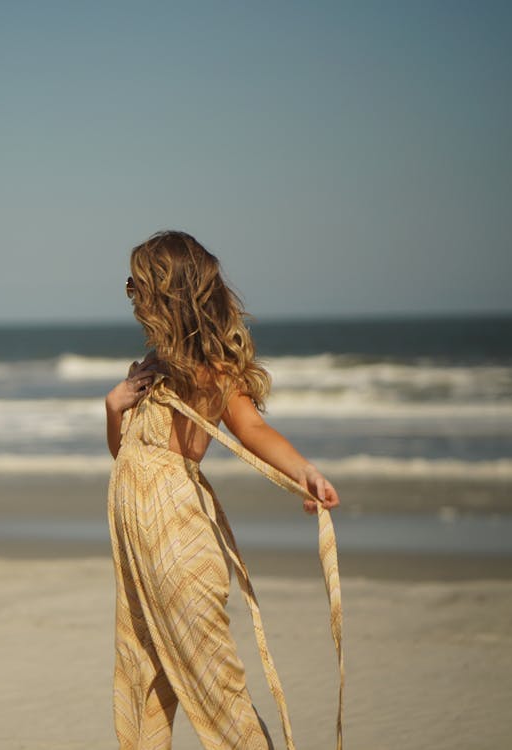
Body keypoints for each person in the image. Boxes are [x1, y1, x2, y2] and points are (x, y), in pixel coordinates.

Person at [105, 231, 340, 750]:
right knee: (147, 677)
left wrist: (306, 473)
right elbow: (124, 456)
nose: (132, 298)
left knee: (217, 688)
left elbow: (252, 430)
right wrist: (113, 407)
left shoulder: (211, 372)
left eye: (138, 286)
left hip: (178, 548)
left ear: (169, 296)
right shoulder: (146, 372)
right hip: (139, 553)